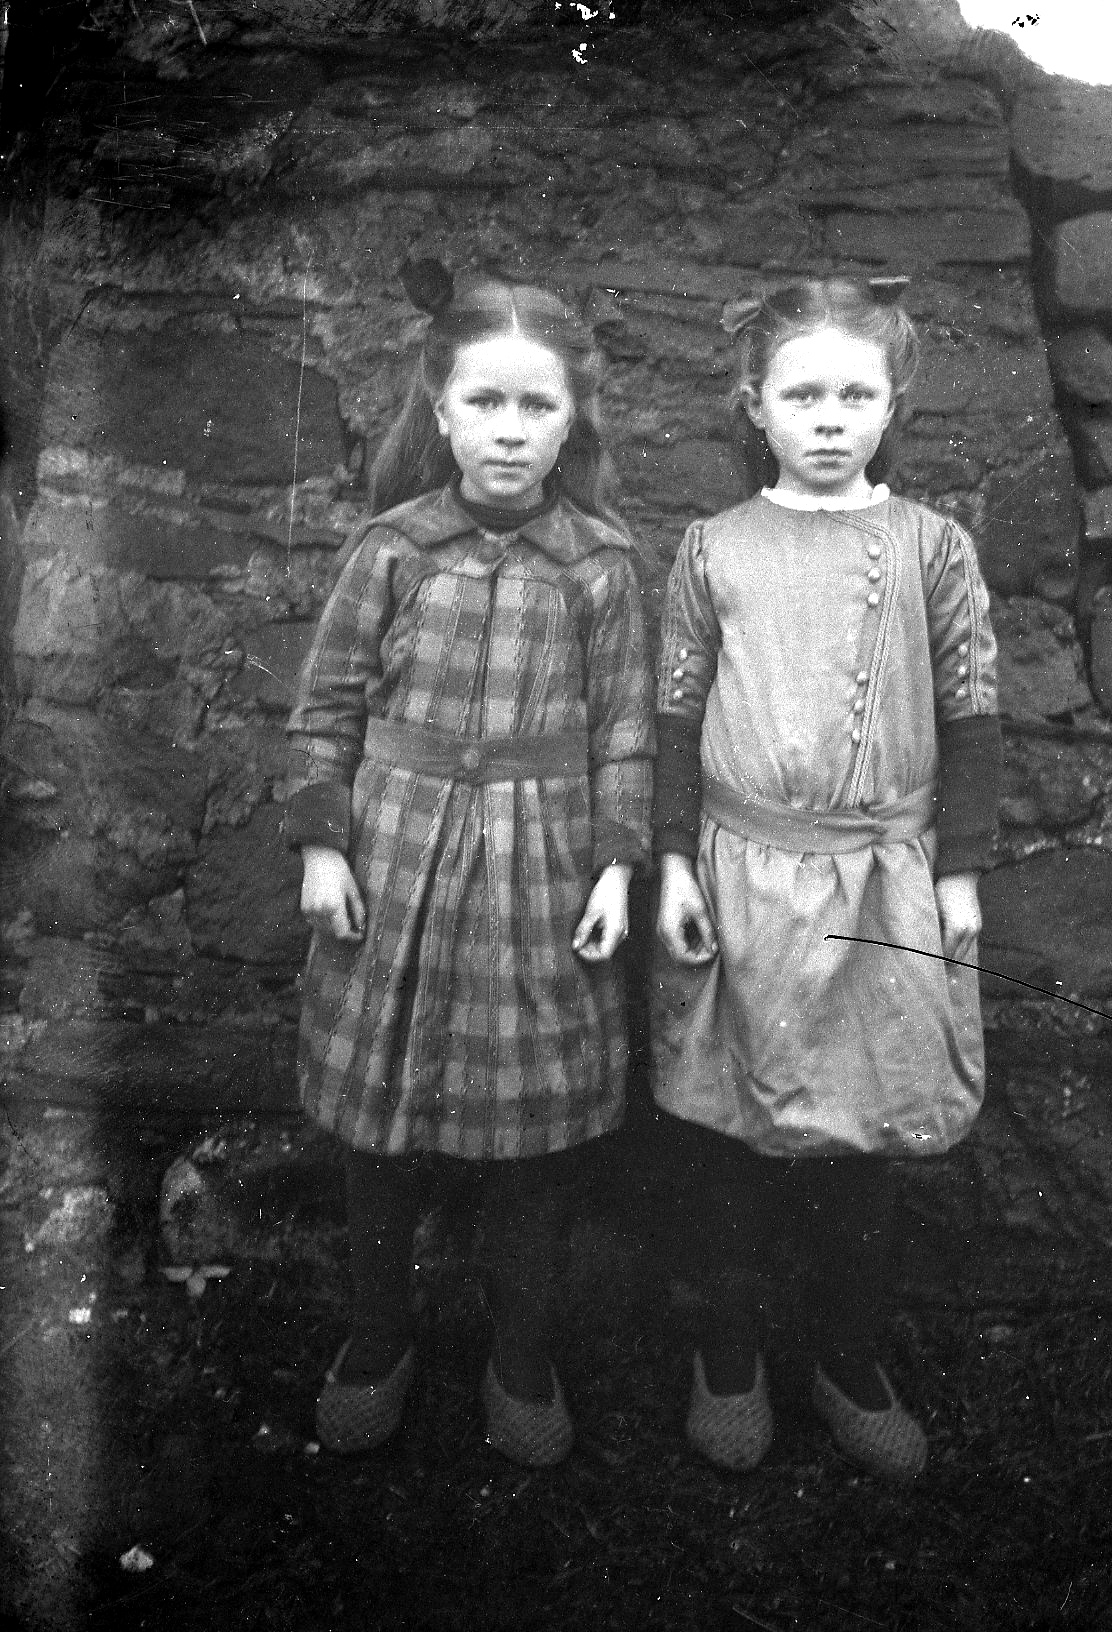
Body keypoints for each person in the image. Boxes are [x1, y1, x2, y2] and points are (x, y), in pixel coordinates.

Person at [284, 262, 654, 1464]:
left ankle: (521, 1357)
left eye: (535, 406)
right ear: (439, 409)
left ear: (570, 421)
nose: (508, 429)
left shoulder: (599, 566)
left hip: (539, 873)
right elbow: (325, 710)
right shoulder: (391, 550)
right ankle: (376, 1338)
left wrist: (614, 870)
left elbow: (626, 736)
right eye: (484, 402)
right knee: (379, 1131)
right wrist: (323, 847)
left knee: (530, 1141)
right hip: (395, 861)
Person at [651, 277, 1001, 1478]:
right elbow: (673, 719)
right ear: (754, 405)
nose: (828, 417)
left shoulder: (931, 548)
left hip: (880, 885)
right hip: (740, 877)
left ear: (893, 404)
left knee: (865, 1141)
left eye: (856, 394)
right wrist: (671, 866)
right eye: (801, 394)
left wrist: (958, 874)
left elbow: (972, 718)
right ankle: (727, 1356)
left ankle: (848, 1361)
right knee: (729, 1139)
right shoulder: (711, 549)